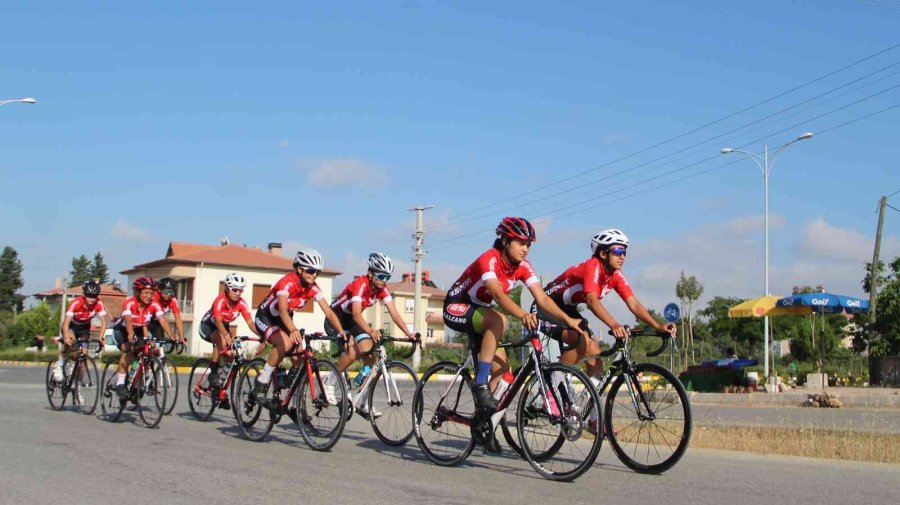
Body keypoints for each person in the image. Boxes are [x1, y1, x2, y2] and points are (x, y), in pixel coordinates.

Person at [537, 229, 676, 432]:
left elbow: (634, 304)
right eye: (618, 251)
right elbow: (592, 301)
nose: (622, 257)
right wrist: (614, 325)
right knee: (582, 340)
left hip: (568, 310)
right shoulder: (593, 266)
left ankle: (593, 419)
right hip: (546, 307)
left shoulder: (615, 275)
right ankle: (550, 387)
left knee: (596, 363)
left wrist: (657, 325)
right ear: (603, 253)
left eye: (625, 252)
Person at [443, 217, 587, 412]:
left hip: (480, 312)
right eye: (520, 243)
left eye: (528, 244)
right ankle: (480, 383)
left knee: (503, 372)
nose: (525, 249)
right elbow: (497, 294)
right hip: (456, 306)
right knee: (499, 320)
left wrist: (568, 320)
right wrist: (522, 315)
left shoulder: (523, 266)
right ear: (505, 241)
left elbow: (543, 299)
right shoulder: (489, 259)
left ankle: (486, 422)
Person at [250, 249, 348, 411]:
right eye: (311, 271)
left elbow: (329, 312)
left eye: (317, 272)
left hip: (284, 321)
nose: (314, 275)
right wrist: (293, 329)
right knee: (285, 344)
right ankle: (261, 382)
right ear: (300, 269)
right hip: (266, 317)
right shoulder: (286, 283)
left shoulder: (313, 287)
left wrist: (341, 331)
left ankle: (295, 406)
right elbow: (282, 309)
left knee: (300, 359)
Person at [323, 251, 417, 417]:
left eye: (387, 277)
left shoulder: (382, 289)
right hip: (336, 319)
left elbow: (394, 314)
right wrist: (371, 330)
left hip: (351, 322)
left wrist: (409, 333)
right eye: (381, 276)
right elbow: (357, 314)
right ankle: (328, 382)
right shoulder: (359, 284)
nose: (384, 281)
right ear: (370, 273)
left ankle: (363, 401)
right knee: (353, 352)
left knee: (372, 359)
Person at [198, 273, 263, 403]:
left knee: (231, 355)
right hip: (208, 326)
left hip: (223, 327)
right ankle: (213, 372)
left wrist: (263, 336)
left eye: (241, 290)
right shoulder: (220, 300)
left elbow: (250, 323)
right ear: (227, 288)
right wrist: (226, 335)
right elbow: (217, 321)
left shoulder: (241, 303)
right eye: (234, 289)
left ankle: (219, 389)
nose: (238, 293)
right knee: (220, 338)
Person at [110, 276, 174, 399]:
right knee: (128, 349)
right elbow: (128, 321)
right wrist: (130, 334)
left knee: (149, 350)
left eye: (151, 293)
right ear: (138, 293)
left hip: (140, 329)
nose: (149, 296)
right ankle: (120, 383)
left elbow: (162, 320)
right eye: (145, 293)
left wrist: (171, 336)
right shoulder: (130, 303)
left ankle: (138, 377)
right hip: (122, 330)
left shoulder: (154, 305)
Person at [54, 280, 107, 381]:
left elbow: (104, 322)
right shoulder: (76, 303)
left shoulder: (99, 304)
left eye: (94, 296)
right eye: (89, 296)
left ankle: (76, 387)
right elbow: (66, 322)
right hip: (71, 326)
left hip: (84, 328)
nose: (92, 299)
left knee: (83, 354)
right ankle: (59, 364)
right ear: (84, 294)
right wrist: (65, 337)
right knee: (70, 342)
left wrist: (101, 336)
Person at [148, 277, 186, 347]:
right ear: (159, 290)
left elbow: (178, 318)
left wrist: (181, 335)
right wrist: (171, 335)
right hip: (145, 322)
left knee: (159, 346)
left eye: (171, 292)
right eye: (166, 291)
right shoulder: (153, 297)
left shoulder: (172, 300)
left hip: (157, 322)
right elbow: (163, 321)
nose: (168, 294)